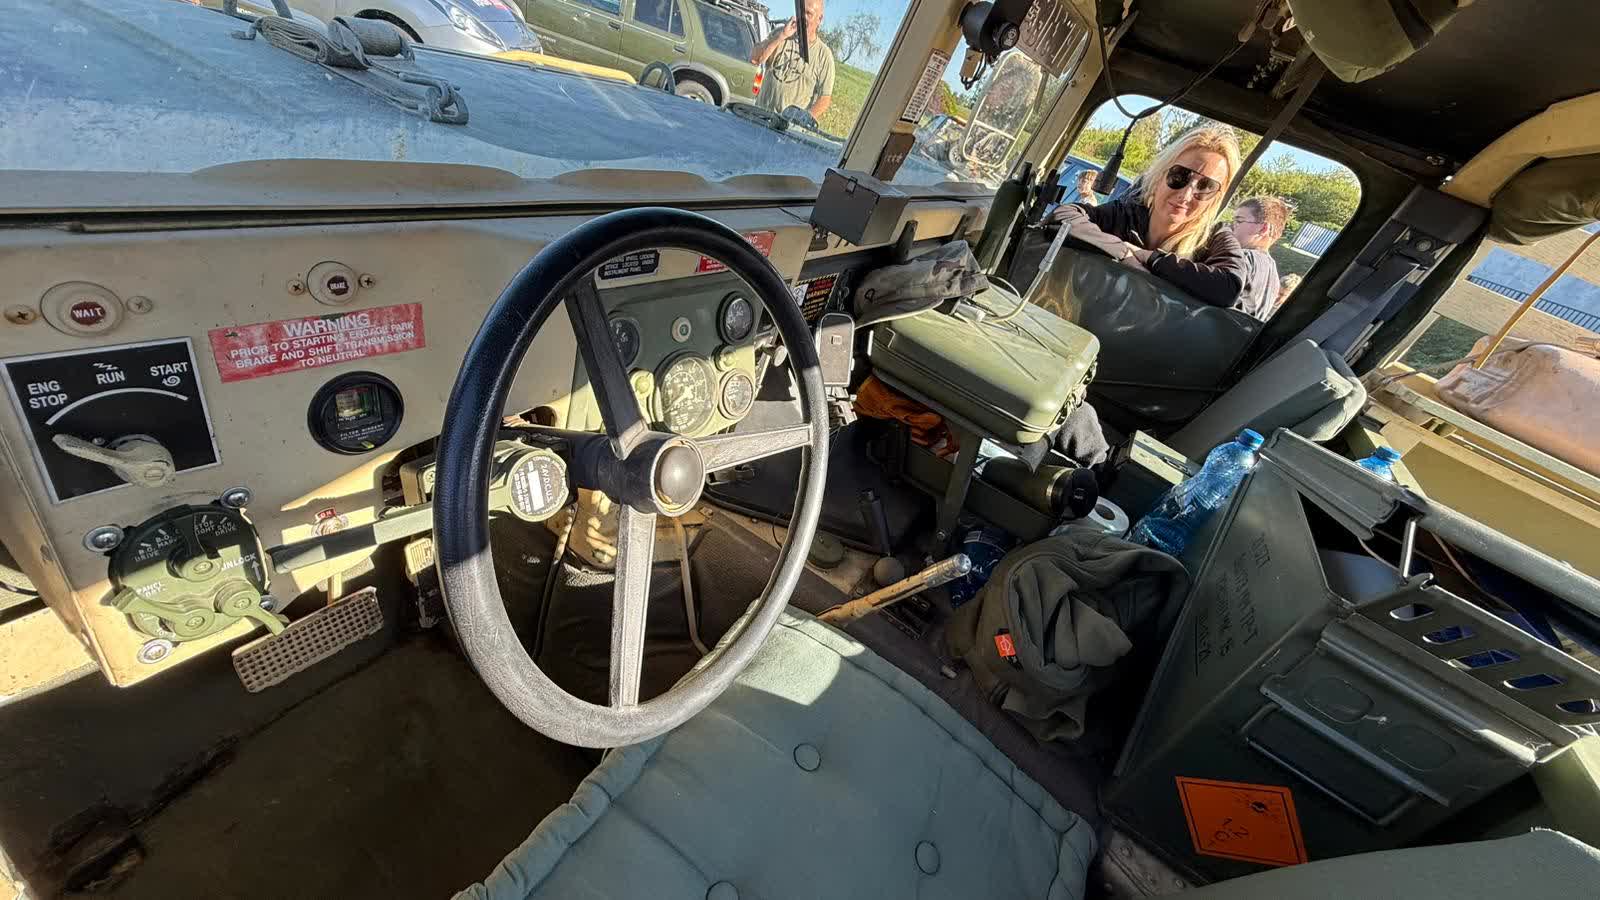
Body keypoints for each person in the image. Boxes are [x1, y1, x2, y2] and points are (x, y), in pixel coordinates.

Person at [1048, 126, 1249, 309]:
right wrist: (1123, 253)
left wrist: (1151, 258)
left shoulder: (1214, 239)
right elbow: (1064, 215)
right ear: (1160, 176)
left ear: (1216, 198)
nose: (1186, 195)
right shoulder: (1127, 215)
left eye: (1206, 186)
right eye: (1179, 176)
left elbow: (1229, 288)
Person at [750, 0, 834, 121]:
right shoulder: (781, 34)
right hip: (760, 118)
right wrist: (781, 36)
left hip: (788, 129)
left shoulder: (824, 55)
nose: (803, 17)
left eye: (809, 13)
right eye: (801, 11)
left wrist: (804, 119)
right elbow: (755, 59)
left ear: (819, 19)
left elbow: (825, 98)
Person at [1228, 195, 1290, 319]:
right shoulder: (1273, 274)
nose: (1232, 226)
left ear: (1263, 228)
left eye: (1239, 221)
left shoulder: (1243, 259)